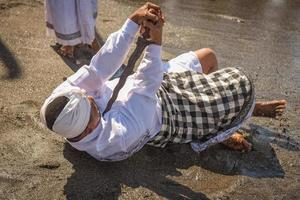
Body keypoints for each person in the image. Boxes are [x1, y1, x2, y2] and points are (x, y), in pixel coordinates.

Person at [40, 2, 286, 161]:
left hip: (138, 88)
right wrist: (154, 43)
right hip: (166, 114)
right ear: (91, 128)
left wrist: (131, 24)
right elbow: (147, 87)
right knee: (241, 86)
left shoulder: (60, 103)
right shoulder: (115, 140)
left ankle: (224, 114)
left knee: (208, 56)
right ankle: (221, 131)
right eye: (92, 107)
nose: (91, 97)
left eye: (86, 97)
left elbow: (98, 69)